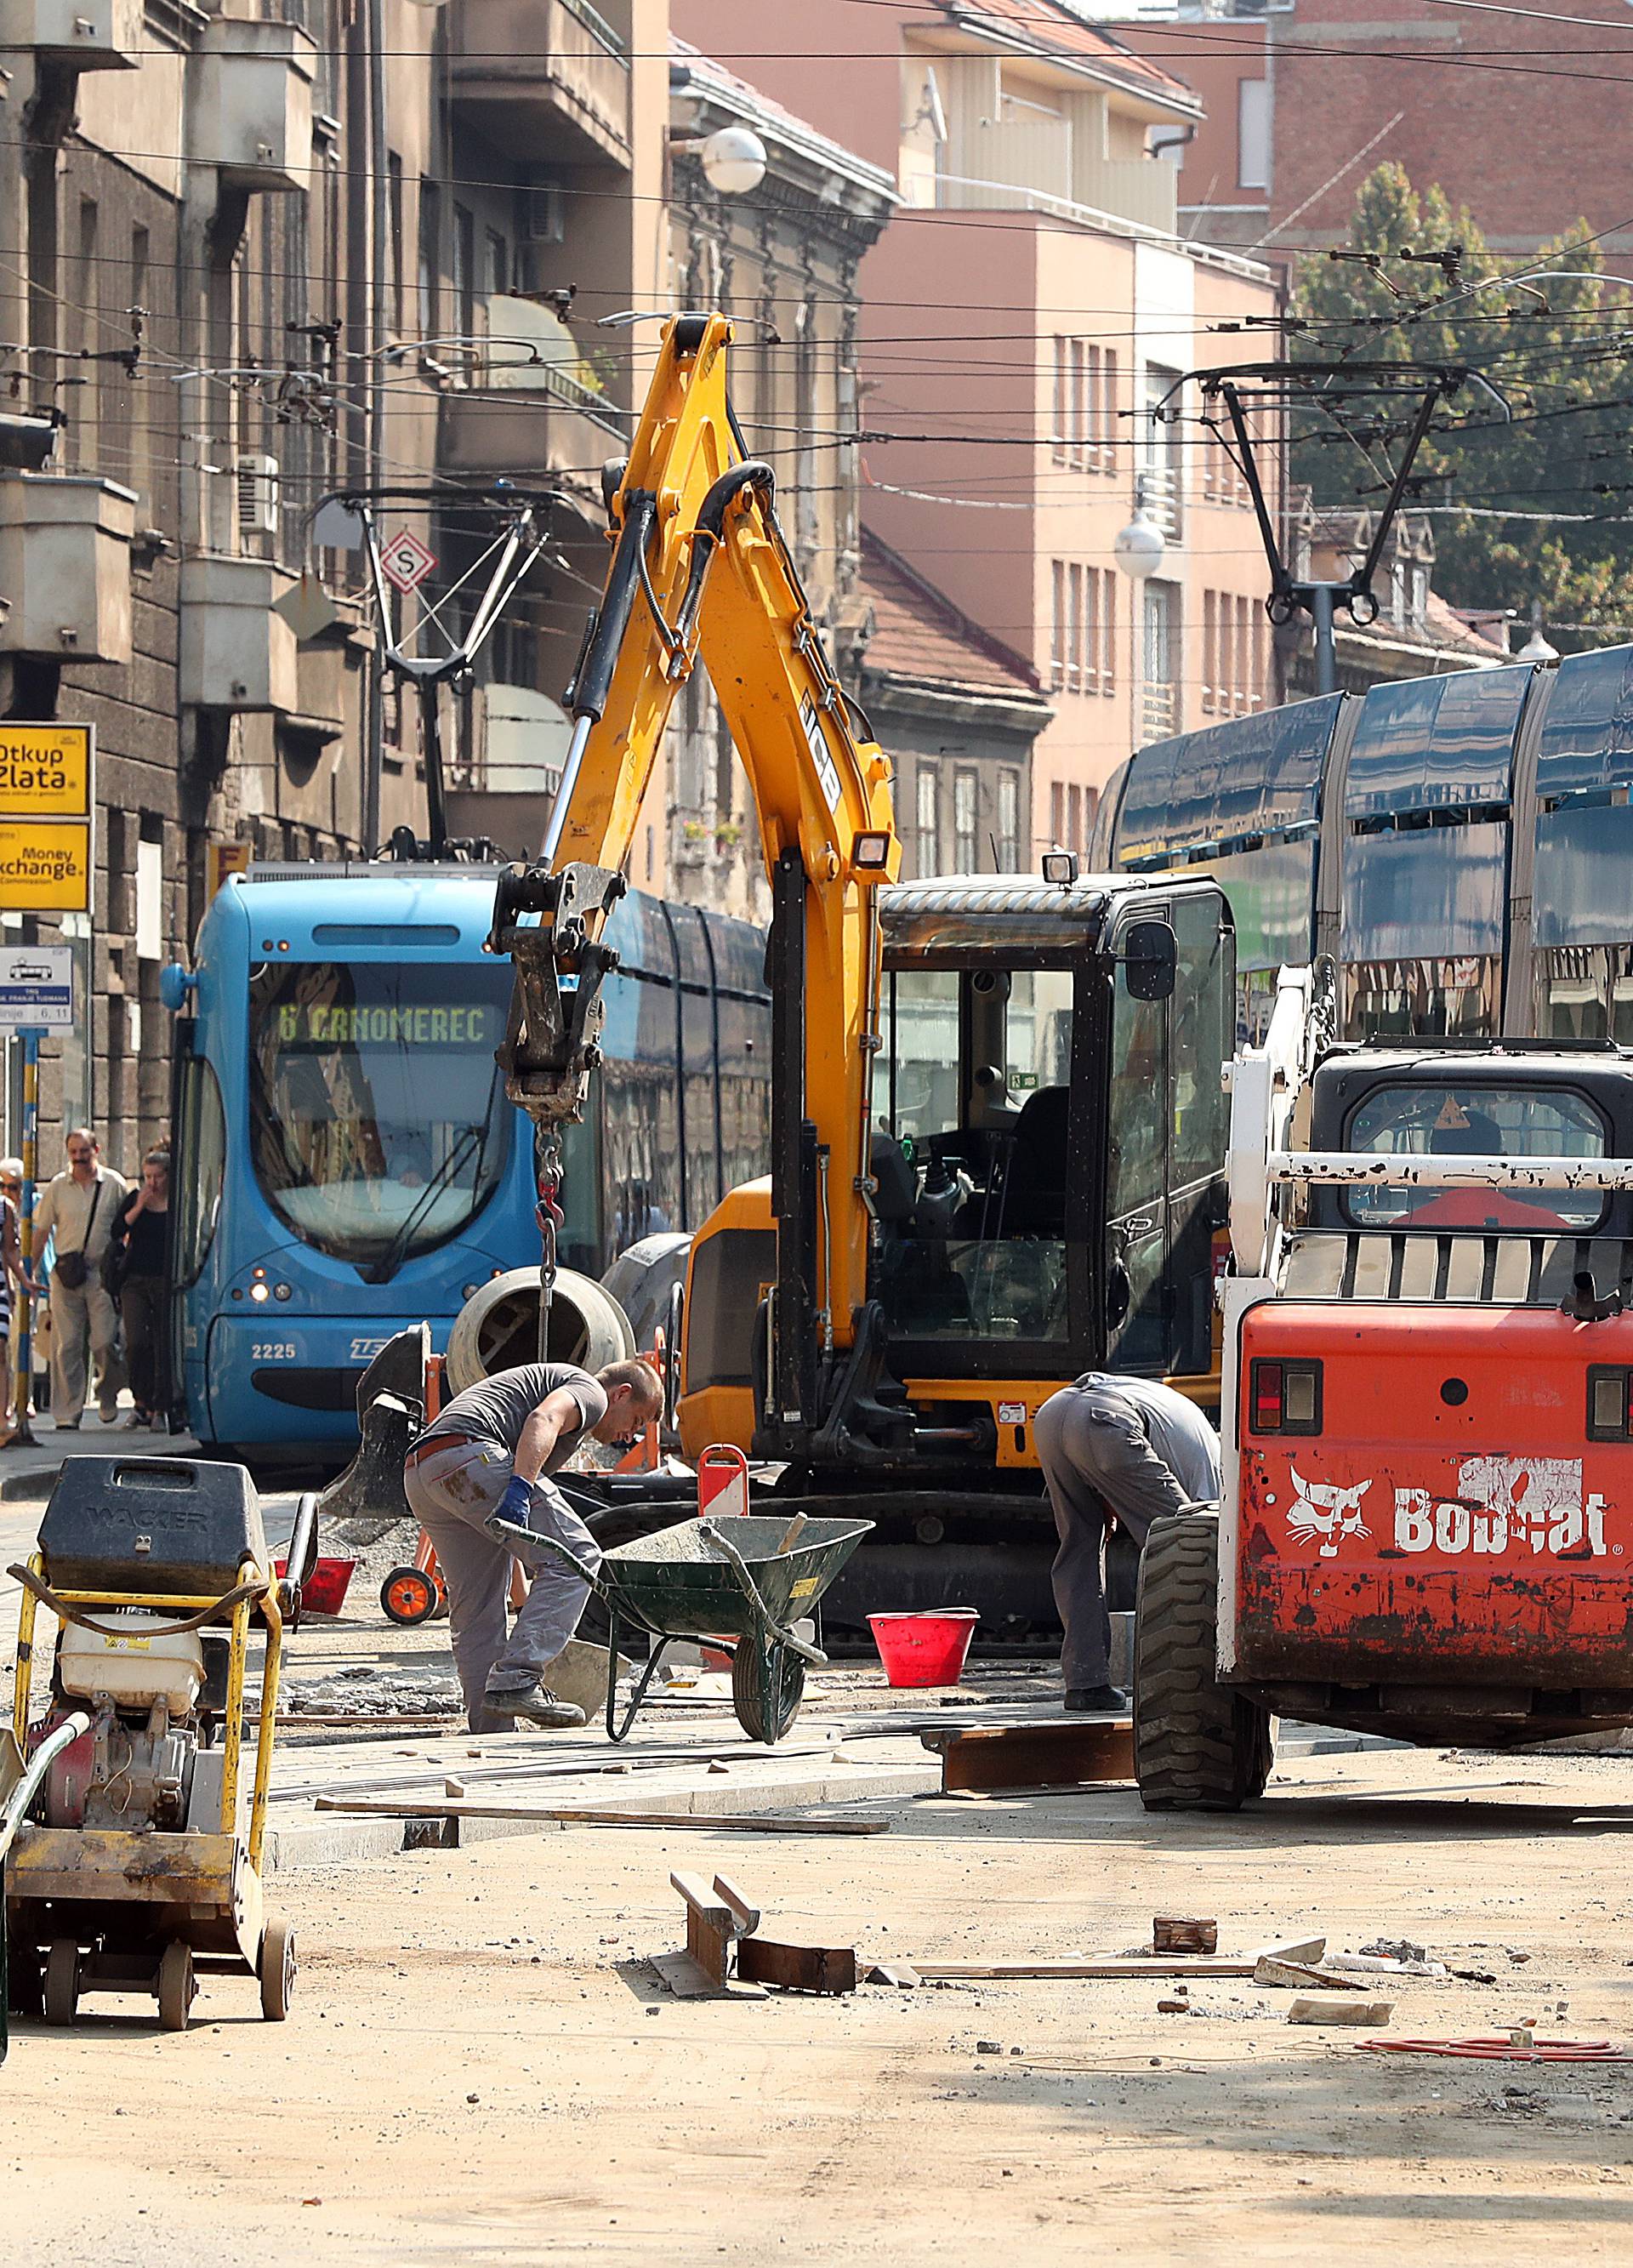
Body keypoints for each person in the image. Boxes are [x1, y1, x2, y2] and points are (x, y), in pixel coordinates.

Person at [402, 1357, 665, 1733]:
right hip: (471, 1455)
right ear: (621, 1394)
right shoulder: (591, 1393)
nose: (630, 1435)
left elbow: (517, 1537)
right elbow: (543, 1420)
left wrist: (522, 1589)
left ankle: (490, 1733)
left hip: (424, 1470)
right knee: (577, 1557)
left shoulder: (553, 1397)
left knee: (478, 1608)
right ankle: (518, 1680)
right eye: (636, 1421)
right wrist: (521, 1487)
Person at [1034, 1371, 1223, 1714]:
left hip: (1053, 1414)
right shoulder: (1215, 1465)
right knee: (1191, 1546)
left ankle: (1085, 1685)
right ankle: (1187, 1681)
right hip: (1107, 1421)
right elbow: (1203, 1538)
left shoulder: (1184, 1430)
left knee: (1079, 1546)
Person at [28, 1128, 127, 1430]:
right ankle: (67, 1413)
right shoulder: (58, 1187)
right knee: (67, 1345)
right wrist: (29, 1271)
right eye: (73, 1153)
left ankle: (107, 1395)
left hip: (100, 1274)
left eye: (84, 1152)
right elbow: (42, 1232)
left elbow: (126, 1226)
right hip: (66, 1274)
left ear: (97, 1150)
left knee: (105, 1341)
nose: (79, 1158)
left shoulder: (114, 1185)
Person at [110, 1148, 170, 1428]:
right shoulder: (136, 1198)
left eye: (157, 1177)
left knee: (162, 1344)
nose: (152, 1183)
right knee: (136, 1343)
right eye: (147, 1177)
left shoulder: (177, 1200)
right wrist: (139, 1206)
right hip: (135, 1279)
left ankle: (160, 1405)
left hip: (164, 1280)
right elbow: (117, 1230)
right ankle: (140, 1402)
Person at [0, 1159, 24, 1441]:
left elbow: (9, 1251)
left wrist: (21, 1281)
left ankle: (2, 1422)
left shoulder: (4, 1209)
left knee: (1, 1349)